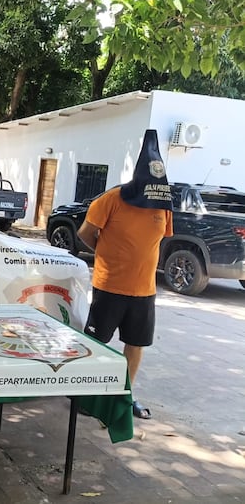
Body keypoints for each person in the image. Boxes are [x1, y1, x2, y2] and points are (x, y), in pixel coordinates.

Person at [77, 129, 173, 420]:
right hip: (109, 286)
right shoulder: (112, 199)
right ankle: (86, 395)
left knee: (136, 344)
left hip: (144, 291)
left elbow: (157, 240)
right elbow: (85, 233)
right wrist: (107, 254)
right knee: (96, 342)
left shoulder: (163, 206)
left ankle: (124, 395)